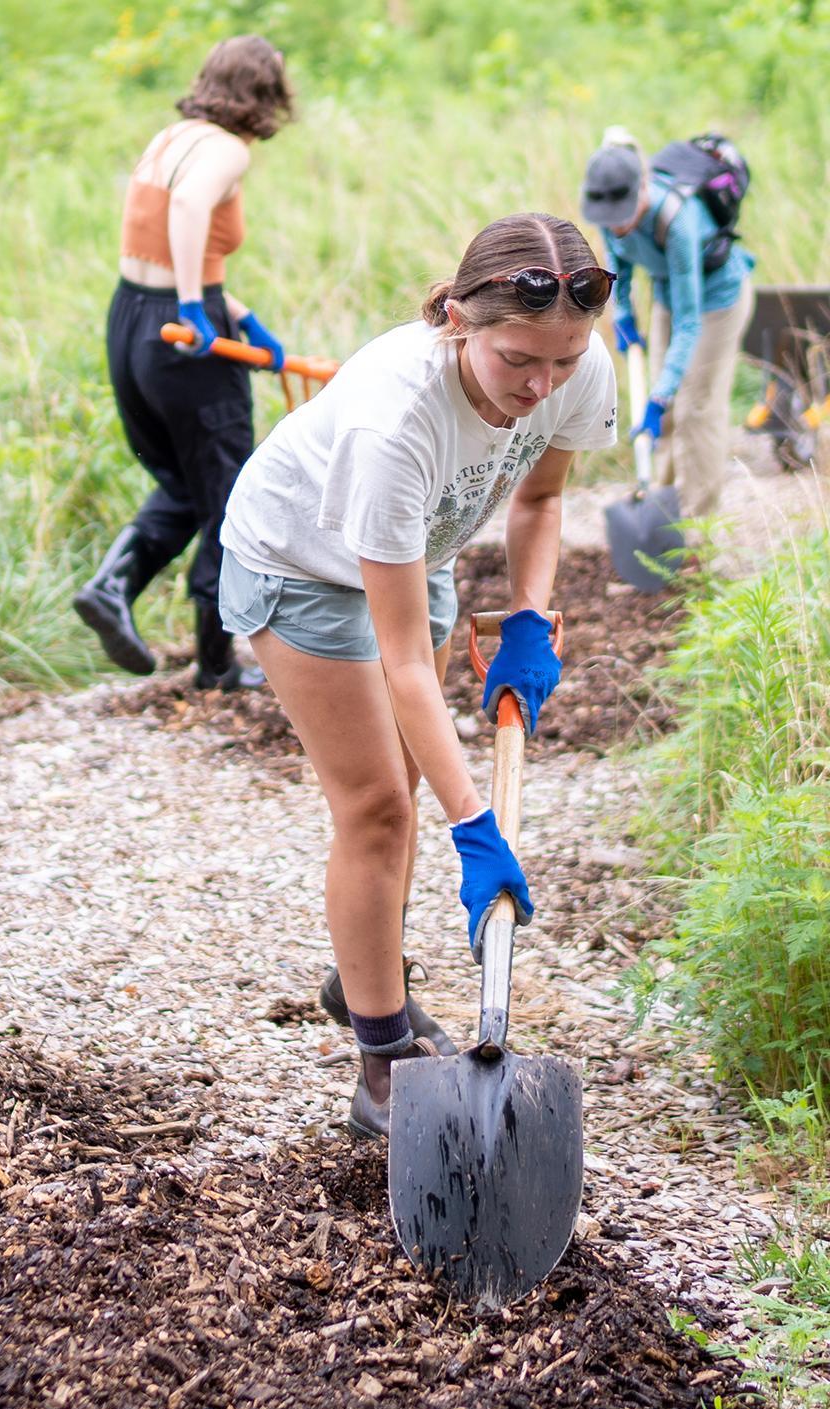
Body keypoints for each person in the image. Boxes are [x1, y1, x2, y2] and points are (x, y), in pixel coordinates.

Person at [218, 213, 619, 1136]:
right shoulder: (395, 417)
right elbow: (405, 666)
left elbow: (545, 498)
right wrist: (476, 829)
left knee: (401, 784)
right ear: (458, 320)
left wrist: (527, 615)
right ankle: (382, 1060)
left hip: (415, 551)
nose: (540, 385)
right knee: (379, 809)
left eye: (560, 364)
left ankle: (361, 971)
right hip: (301, 562)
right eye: (518, 360)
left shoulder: (569, 363)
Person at [74, 34, 294, 691]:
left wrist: (235, 311)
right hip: (180, 335)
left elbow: (158, 247)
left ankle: (112, 586)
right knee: (230, 491)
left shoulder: (171, 138)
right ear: (265, 96)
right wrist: (199, 309)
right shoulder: (225, 150)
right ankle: (218, 663)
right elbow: (190, 209)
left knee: (183, 480)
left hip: (132, 320)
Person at [580, 134, 754, 516]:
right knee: (668, 403)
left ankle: (697, 530)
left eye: (624, 215)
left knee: (696, 408)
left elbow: (689, 322)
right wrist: (622, 314)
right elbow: (619, 266)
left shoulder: (678, 222)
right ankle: (661, 507)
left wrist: (658, 398)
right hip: (667, 295)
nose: (617, 225)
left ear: (642, 189)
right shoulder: (610, 204)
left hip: (716, 301)